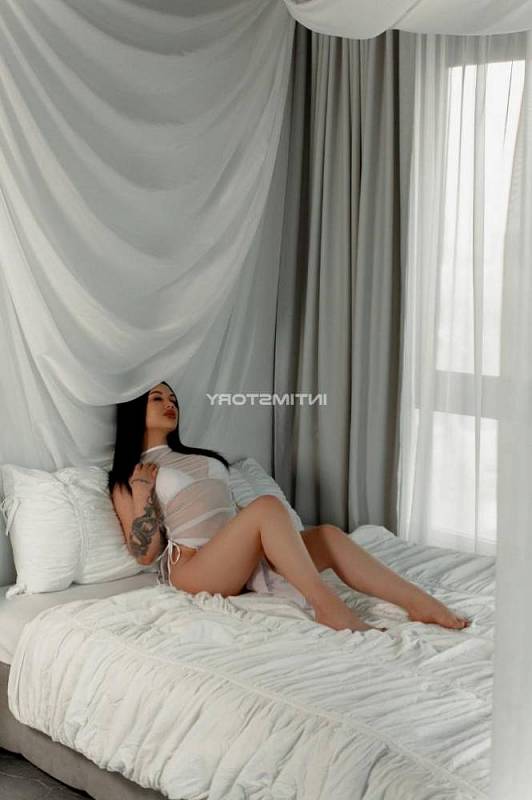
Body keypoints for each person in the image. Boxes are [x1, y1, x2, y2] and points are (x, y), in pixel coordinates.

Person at [108, 381, 471, 634]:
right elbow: (144, 554)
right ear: (135, 411)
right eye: (157, 398)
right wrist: (142, 494)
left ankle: (418, 602)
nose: (170, 403)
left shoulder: (199, 456)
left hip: (239, 559)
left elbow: (229, 510)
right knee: (266, 506)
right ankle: (328, 607)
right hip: (194, 568)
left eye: (173, 398)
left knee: (327, 535)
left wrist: (272, 542)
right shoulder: (130, 475)